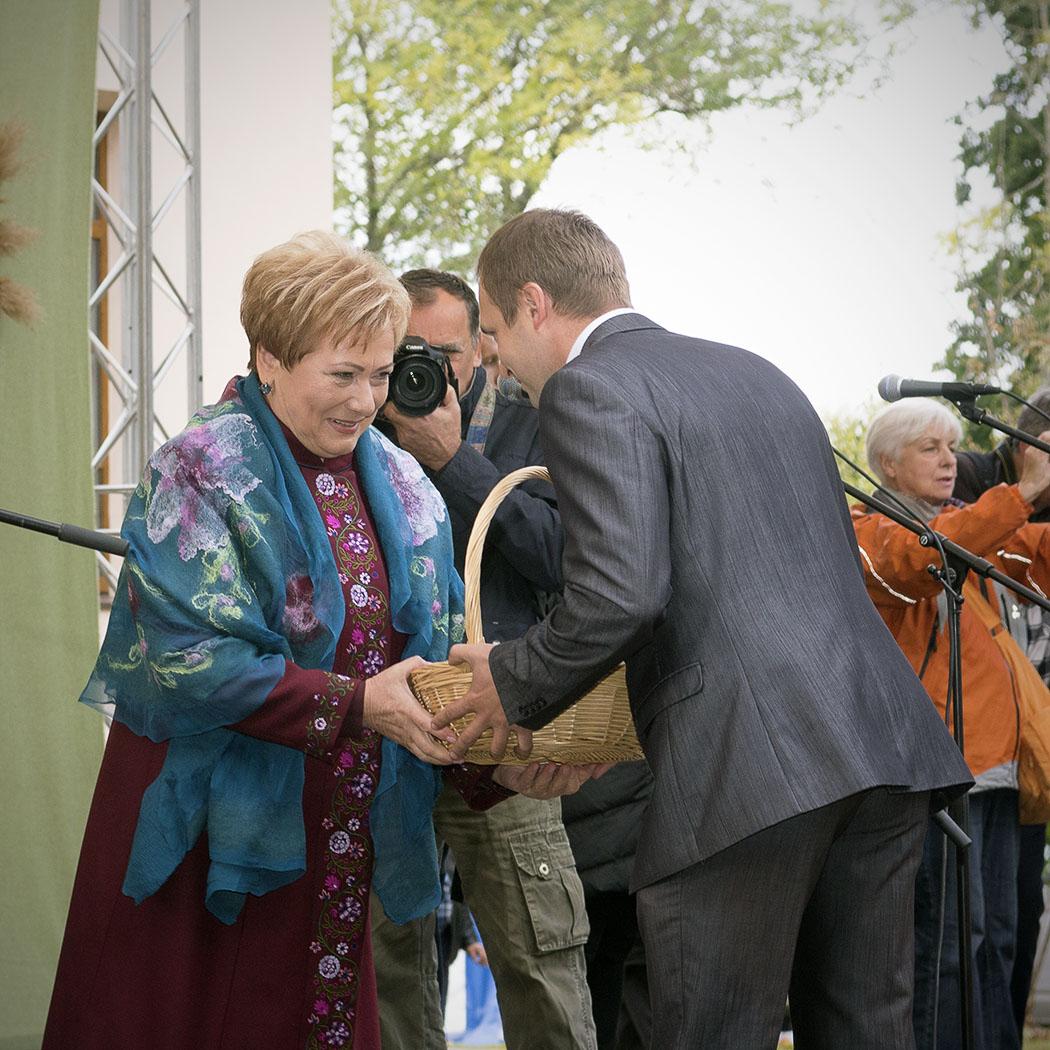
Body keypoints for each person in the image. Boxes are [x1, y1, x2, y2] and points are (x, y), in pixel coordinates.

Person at [435, 207, 974, 1049]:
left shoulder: (586, 386)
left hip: (745, 773)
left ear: (534, 304)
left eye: (496, 334)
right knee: (867, 1029)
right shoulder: (758, 371)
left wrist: (510, 683)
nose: (497, 363)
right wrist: (608, 733)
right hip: (880, 743)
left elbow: (619, 595)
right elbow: (740, 593)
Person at [41, 232, 591, 1050]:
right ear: (269, 357)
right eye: (343, 374)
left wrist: (501, 762)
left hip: (337, 852)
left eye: (381, 374)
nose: (367, 401)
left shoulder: (403, 481)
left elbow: (434, 663)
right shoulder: (200, 470)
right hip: (206, 857)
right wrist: (358, 704)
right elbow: (189, 658)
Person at [372, 268, 596, 1050]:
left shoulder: (534, 423)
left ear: (481, 351)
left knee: (539, 960)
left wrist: (451, 461)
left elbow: (562, 555)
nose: (426, 370)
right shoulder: (357, 429)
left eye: (447, 353)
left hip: (504, 727)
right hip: (391, 727)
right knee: (389, 967)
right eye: (408, 351)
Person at [853, 397, 1050, 1050]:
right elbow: (915, 563)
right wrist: (1023, 492)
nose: (949, 460)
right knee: (948, 942)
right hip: (935, 774)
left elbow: (1037, 552)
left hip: (994, 769)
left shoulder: (971, 523)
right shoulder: (869, 529)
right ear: (888, 463)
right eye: (929, 448)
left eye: (951, 446)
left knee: (996, 938)